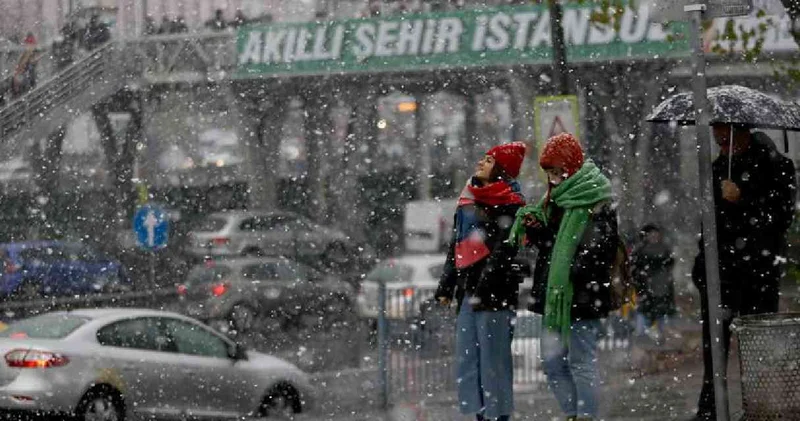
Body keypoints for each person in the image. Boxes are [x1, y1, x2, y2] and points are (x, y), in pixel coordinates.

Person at [690, 125, 796, 421]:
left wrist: (743, 199)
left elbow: (781, 217)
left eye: (726, 139)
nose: (721, 145)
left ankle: (761, 408)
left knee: (757, 347)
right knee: (714, 349)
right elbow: (708, 224)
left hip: (757, 272)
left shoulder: (777, 166)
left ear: (743, 133)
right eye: (717, 139)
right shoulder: (717, 168)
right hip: (719, 273)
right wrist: (701, 266)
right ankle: (710, 409)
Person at [509, 133, 617, 421]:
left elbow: (599, 251)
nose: (554, 178)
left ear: (571, 165)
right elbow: (551, 245)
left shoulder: (596, 199)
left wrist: (571, 269)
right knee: (552, 362)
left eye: (558, 171)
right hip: (554, 296)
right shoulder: (555, 200)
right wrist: (535, 230)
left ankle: (585, 416)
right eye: (549, 172)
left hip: (582, 295)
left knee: (581, 361)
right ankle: (572, 414)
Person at [435, 141, 527, 421]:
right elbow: (456, 246)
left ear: (500, 170)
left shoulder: (511, 205)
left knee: (493, 361)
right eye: (483, 158)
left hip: (495, 295)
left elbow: (505, 249)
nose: (480, 163)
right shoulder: (468, 200)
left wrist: (484, 280)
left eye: (488, 161)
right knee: (467, 359)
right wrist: (447, 286)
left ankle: (498, 416)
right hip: (467, 293)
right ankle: (478, 414)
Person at [631, 223, 675, 341]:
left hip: (660, 287)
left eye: (656, 234)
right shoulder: (641, 251)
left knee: (658, 314)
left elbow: (669, 264)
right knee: (645, 312)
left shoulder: (663, 249)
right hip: (647, 287)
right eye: (651, 234)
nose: (654, 237)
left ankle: (656, 337)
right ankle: (645, 336)